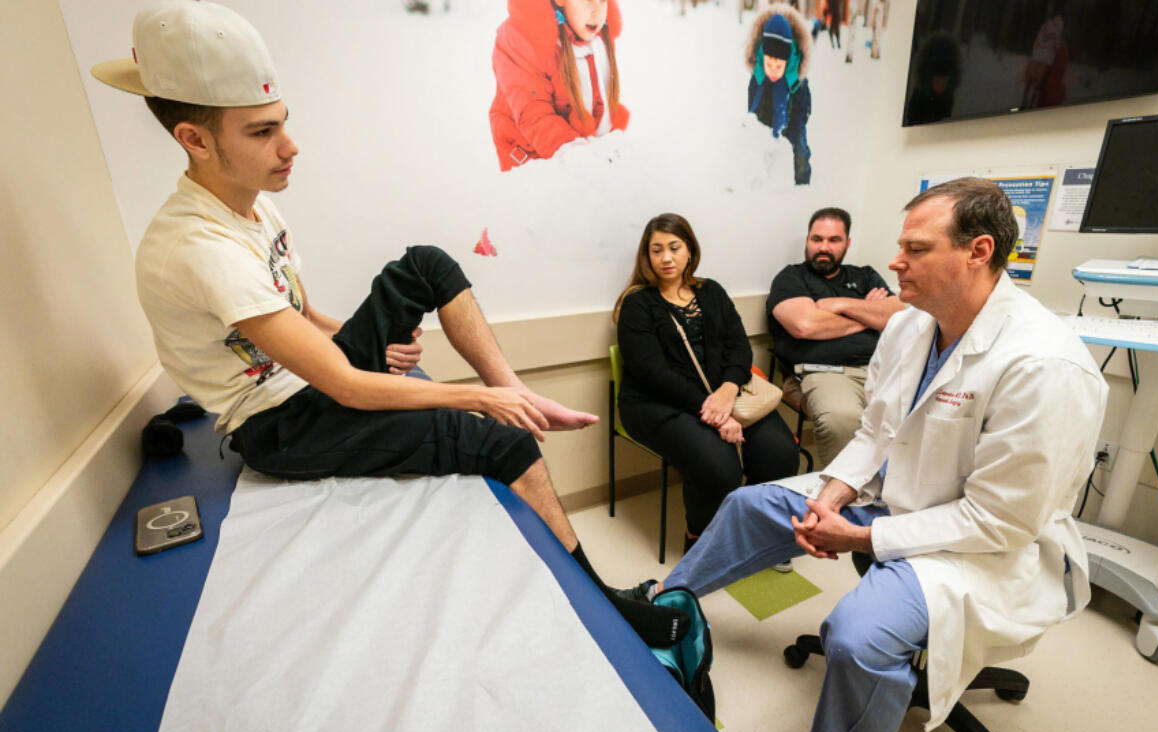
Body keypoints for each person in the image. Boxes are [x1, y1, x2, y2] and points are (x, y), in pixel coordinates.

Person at [90, 1, 688, 649]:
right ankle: (611, 614)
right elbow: (344, 387)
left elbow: (305, 317)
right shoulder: (199, 248)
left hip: (305, 382)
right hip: (278, 425)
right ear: (196, 139)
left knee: (425, 266)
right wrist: (481, 400)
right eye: (262, 133)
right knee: (500, 440)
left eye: (283, 123)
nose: (290, 146)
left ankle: (523, 395)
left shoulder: (252, 212)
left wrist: (384, 347)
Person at [628, 178, 1108, 732]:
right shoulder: (912, 325)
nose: (895, 261)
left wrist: (858, 537)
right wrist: (831, 496)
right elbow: (877, 431)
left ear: (977, 250)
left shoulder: (1044, 365)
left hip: (977, 548)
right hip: (892, 494)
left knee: (856, 637)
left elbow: (998, 521)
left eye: (914, 247)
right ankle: (672, 608)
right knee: (748, 505)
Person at [614, 214, 798, 553]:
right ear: (647, 256)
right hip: (656, 403)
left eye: (674, 247)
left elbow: (739, 347)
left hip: (724, 395)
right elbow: (650, 373)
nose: (666, 258)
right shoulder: (637, 303)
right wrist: (715, 412)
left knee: (781, 454)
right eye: (656, 250)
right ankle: (701, 545)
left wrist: (727, 392)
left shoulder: (711, 291)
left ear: (689, 251)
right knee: (719, 466)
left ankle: (754, 533)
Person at [767, 207, 904, 468]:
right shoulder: (791, 277)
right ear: (807, 240)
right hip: (825, 372)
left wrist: (838, 304)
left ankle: (891, 493)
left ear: (847, 243)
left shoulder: (865, 275)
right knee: (841, 419)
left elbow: (897, 315)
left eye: (833, 240)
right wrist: (867, 312)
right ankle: (844, 497)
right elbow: (805, 326)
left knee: (920, 416)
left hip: (883, 368)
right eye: (816, 239)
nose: (823, 247)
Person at [490, 0, 629, 172]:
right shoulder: (522, 38)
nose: (597, 12)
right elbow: (534, 114)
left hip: (583, 150)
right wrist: (576, 154)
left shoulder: (597, 38)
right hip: (530, 156)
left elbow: (601, 101)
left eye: (602, 1)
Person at [746, 6, 812, 186]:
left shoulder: (795, 79)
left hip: (792, 122)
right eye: (769, 64)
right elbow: (752, 101)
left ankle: (802, 181)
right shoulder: (759, 76)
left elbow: (802, 107)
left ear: (787, 61)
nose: (773, 71)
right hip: (765, 118)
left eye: (778, 67)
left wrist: (794, 128)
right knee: (762, 151)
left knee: (799, 152)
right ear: (762, 57)